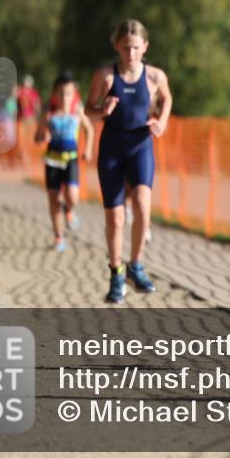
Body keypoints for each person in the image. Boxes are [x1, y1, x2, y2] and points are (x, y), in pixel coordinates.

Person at [86, 19, 172, 304]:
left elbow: (167, 99)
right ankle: (116, 274)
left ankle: (136, 265)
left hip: (140, 146)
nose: (131, 53)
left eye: (136, 47)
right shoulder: (105, 76)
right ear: (116, 46)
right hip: (112, 148)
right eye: (125, 48)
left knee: (143, 207)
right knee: (115, 217)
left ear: (145, 46)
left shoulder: (155, 76)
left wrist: (162, 121)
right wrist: (102, 108)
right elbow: (88, 108)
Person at [35, 72, 94, 252]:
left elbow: (89, 129)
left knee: (72, 196)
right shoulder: (49, 112)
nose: (64, 97)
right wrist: (42, 136)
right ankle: (58, 237)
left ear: (74, 94)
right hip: (52, 160)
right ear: (54, 93)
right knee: (53, 199)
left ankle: (69, 209)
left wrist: (88, 149)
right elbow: (38, 135)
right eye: (60, 93)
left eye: (68, 93)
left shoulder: (77, 110)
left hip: (71, 159)